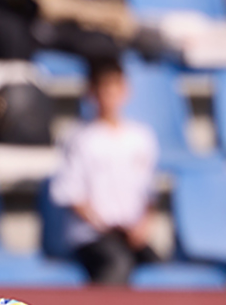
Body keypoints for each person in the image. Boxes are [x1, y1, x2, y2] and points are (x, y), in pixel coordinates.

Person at [49, 57, 159, 285]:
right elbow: (71, 193)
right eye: (103, 89)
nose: (109, 97)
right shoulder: (79, 137)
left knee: (159, 269)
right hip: (92, 237)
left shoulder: (141, 137)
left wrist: (141, 227)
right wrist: (105, 226)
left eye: (115, 88)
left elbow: (148, 194)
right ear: (91, 93)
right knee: (116, 263)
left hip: (129, 236)